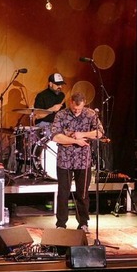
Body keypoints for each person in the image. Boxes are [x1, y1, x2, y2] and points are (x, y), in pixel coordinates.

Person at [51, 92, 103, 233]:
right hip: (65, 160)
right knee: (63, 193)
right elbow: (56, 136)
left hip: (83, 160)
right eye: (75, 108)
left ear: (84, 103)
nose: (77, 111)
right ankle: (61, 223)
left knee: (82, 193)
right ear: (70, 102)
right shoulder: (61, 115)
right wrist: (75, 141)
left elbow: (100, 133)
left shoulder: (91, 114)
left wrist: (83, 134)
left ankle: (83, 223)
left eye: (79, 109)